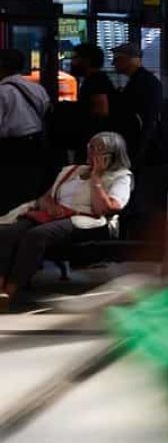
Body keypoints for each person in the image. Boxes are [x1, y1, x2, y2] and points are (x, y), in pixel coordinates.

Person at [0, 131, 132, 310]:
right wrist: (50, 205)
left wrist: (96, 177)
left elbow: (105, 209)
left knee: (36, 235)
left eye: (99, 149)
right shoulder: (72, 170)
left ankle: (9, 292)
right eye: (90, 147)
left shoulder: (121, 176)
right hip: (55, 214)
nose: (92, 152)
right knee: (8, 233)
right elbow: (44, 198)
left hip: (87, 219)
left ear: (113, 154)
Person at [0, 49, 51, 211]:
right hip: (35, 146)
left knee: (8, 192)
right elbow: (45, 112)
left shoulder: (2, 91)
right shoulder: (36, 88)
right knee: (28, 191)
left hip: (9, 149)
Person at [109, 41, 162, 166]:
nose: (113, 63)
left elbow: (147, 116)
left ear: (130, 60)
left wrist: (139, 148)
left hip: (139, 144)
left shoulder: (142, 83)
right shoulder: (143, 81)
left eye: (118, 59)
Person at [69, 43, 112, 162]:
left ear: (86, 61)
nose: (72, 62)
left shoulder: (96, 81)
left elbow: (101, 111)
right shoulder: (93, 80)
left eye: (75, 58)